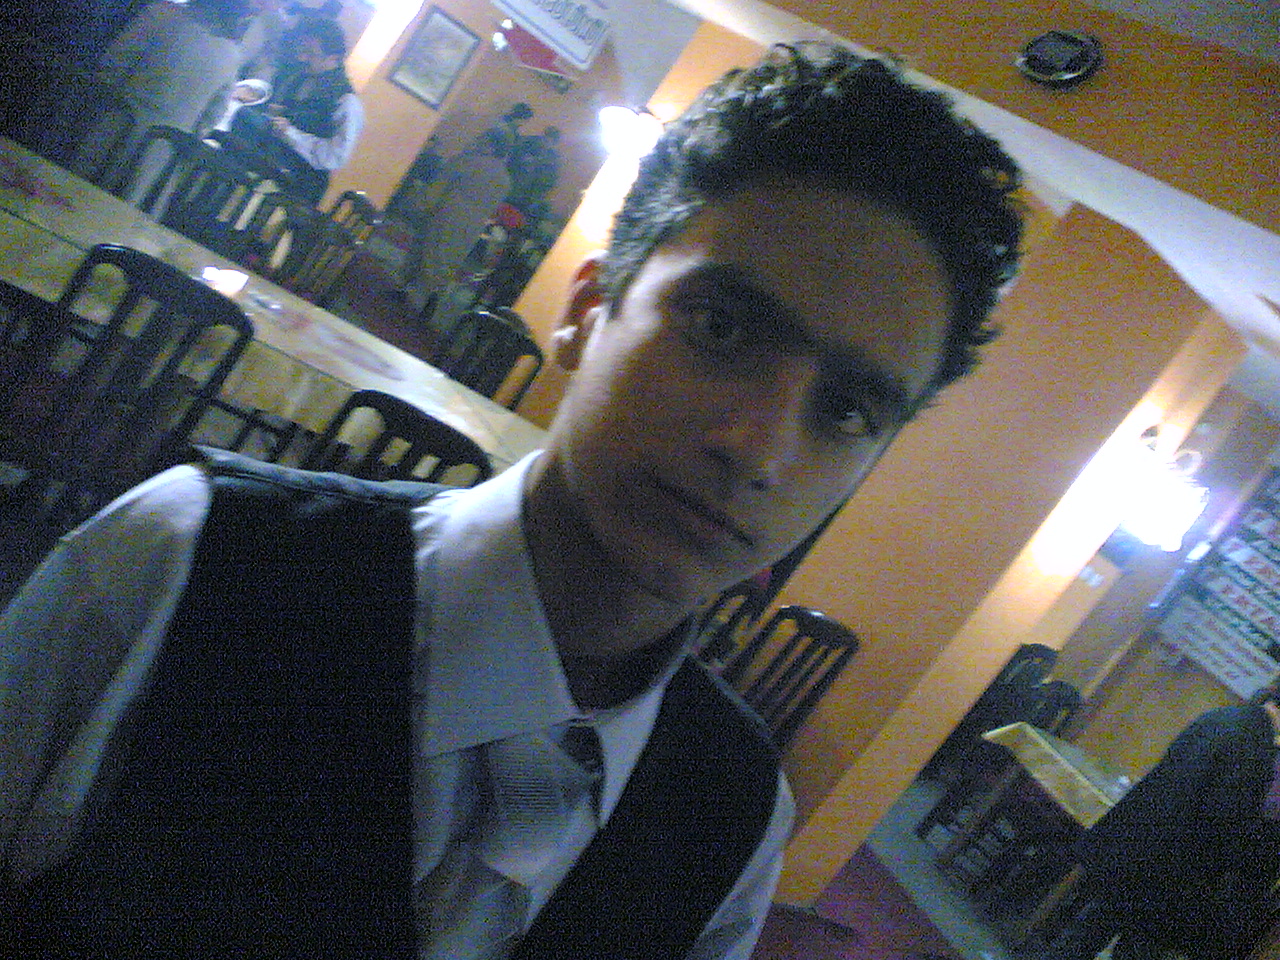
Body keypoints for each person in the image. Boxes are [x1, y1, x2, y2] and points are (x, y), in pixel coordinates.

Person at [0, 42, 1023, 959]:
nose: (759, 450)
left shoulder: (732, 825)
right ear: (586, 311)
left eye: (846, 409)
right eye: (720, 327)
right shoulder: (191, 564)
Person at [1039, 684, 1280, 960]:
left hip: (1136, 847)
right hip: (1170, 871)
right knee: (1127, 948)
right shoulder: (1256, 748)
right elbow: (1223, 822)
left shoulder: (1223, 717)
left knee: (1084, 935)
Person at [229, 14, 361, 203]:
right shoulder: (298, 76)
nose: (302, 57)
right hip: (269, 161)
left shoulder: (347, 102)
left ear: (333, 58)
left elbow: (333, 157)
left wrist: (289, 133)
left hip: (297, 185)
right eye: (301, 50)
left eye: (310, 53)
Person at [400, 129, 512, 322]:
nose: (477, 141)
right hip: (472, 226)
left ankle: (410, 297)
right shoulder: (504, 178)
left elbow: (437, 189)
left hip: (446, 214)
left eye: (483, 139)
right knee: (448, 261)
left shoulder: (467, 161)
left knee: (427, 254)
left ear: (491, 146)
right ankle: (432, 298)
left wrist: (419, 205)